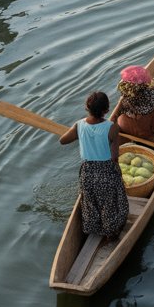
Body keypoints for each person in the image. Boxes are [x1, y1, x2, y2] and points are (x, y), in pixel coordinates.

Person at [58, 91, 129, 241]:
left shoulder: (79, 125)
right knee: (111, 202)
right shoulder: (112, 128)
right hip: (106, 172)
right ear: (106, 110)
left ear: (87, 108)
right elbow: (115, 156)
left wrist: (78, 132)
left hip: (87, 172)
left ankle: (93, 228)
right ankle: (111, 232)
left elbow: (63, 140)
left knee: (90, 200)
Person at [111, 65, 154, 145]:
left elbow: (112, 119)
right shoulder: (153, 96)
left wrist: (120, 101)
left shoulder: (124, 96)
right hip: (144, 136)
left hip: (125, 132)